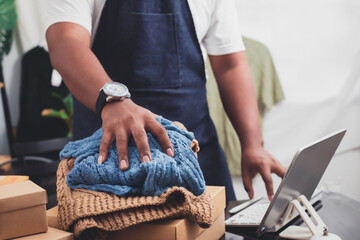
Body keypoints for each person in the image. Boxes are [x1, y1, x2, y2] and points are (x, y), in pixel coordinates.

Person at [45, 0, 286, 202]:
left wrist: (253, 142)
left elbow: (230, 64)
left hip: (197, 161)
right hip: (109, 167)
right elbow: (65, 42)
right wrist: (112, 99)